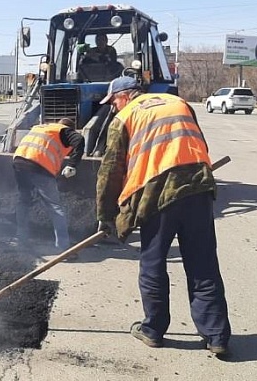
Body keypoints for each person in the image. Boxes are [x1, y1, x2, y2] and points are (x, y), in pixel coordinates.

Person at [95, 76, 232, 357]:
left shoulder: (126, 116)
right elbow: (197, 143)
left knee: (153, 262)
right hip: (198, 186)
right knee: (203, 262)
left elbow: (110, 170)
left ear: (125, 96)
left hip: (156, 192)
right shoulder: (178, 102)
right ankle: (216, 335)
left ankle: (153, 329)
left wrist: (106, 215)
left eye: (113, 102)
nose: (112, 108)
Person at [12, 117, 85, 255]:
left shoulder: (42, 127)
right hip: (39, 165)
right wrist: (72, 165)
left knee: (24, 201)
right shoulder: (64, 131)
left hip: (19, 162)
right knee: (55, 207)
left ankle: (21, 241)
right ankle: (63, 247)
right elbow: (80, 140)